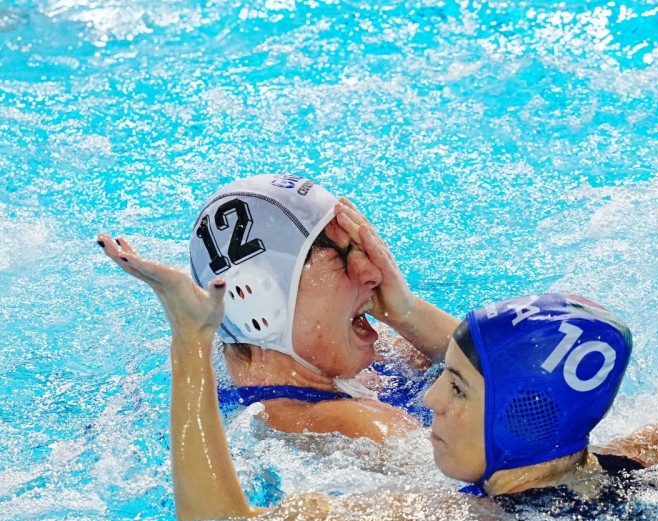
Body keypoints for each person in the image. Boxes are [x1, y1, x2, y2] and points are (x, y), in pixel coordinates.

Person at [98, 89, 658, 521]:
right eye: (343, 256)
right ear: (265, 300)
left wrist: (186, 344)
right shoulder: (641, 466)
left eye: (455, 385)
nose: (373, 272)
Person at [99, 174, 459, 443]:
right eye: (345, 257)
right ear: (258, 298)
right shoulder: (354, 427)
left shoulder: (346, 360)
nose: (374, 273)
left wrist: (405, 312)